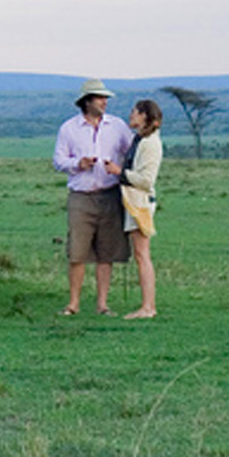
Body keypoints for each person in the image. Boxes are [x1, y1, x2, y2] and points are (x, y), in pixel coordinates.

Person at [52, 77, 134, 315]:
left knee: (106, 253)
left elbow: (131, 153)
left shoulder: (117, 126)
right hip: (81, 196)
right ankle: (73, 304)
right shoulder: (69, 128)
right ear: (87, 101)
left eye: (105, 97)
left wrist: (119, 170)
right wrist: (79, 163)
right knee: (78, 252)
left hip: (110, 194)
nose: (104, 101)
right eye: (100, 97)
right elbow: (58, 161)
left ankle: (102, 305)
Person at [117, 98, 163, 319]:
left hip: (141, 202)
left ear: (144, 115)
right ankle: (147, 306)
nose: (131, 116)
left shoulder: (150, 143)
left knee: (142, 255)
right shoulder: (140, 139)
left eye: (134, 112)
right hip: (136, 201)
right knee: (140, 254)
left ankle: (148, 307)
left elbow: (146, 180)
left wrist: (120, 173)